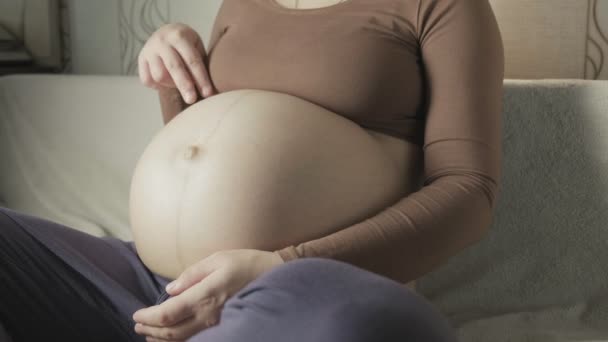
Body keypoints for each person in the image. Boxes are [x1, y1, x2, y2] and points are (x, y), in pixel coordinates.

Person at [0, 0, 504, 341]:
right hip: (152, 284)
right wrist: (173, 64)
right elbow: (209, 144)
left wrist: (281, 264)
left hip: (303, 283)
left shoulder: (442, 5)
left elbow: (468, 192)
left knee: (369, 323)